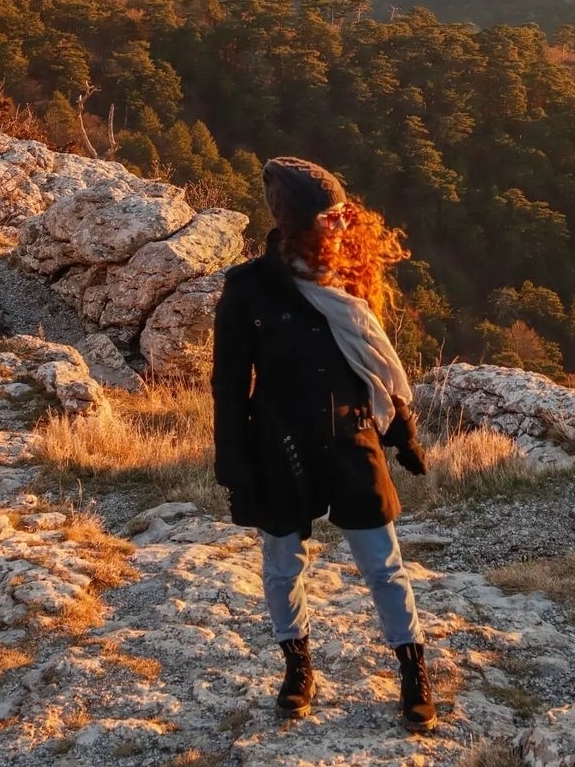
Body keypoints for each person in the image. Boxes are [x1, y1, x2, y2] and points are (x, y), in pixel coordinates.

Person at [211, 155, 436, 730]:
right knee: (284, 566)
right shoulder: (247, 291)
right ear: (299, 221)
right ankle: (298, 668)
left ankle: (413, 671)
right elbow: (230, 387)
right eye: (333, 215)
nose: (345, 224)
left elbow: (375, 366)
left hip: (353, 436)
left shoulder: (350, 275)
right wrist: (235, 467)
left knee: (384, 566)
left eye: (345, 212)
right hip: (280, 446)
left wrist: (401, 430)